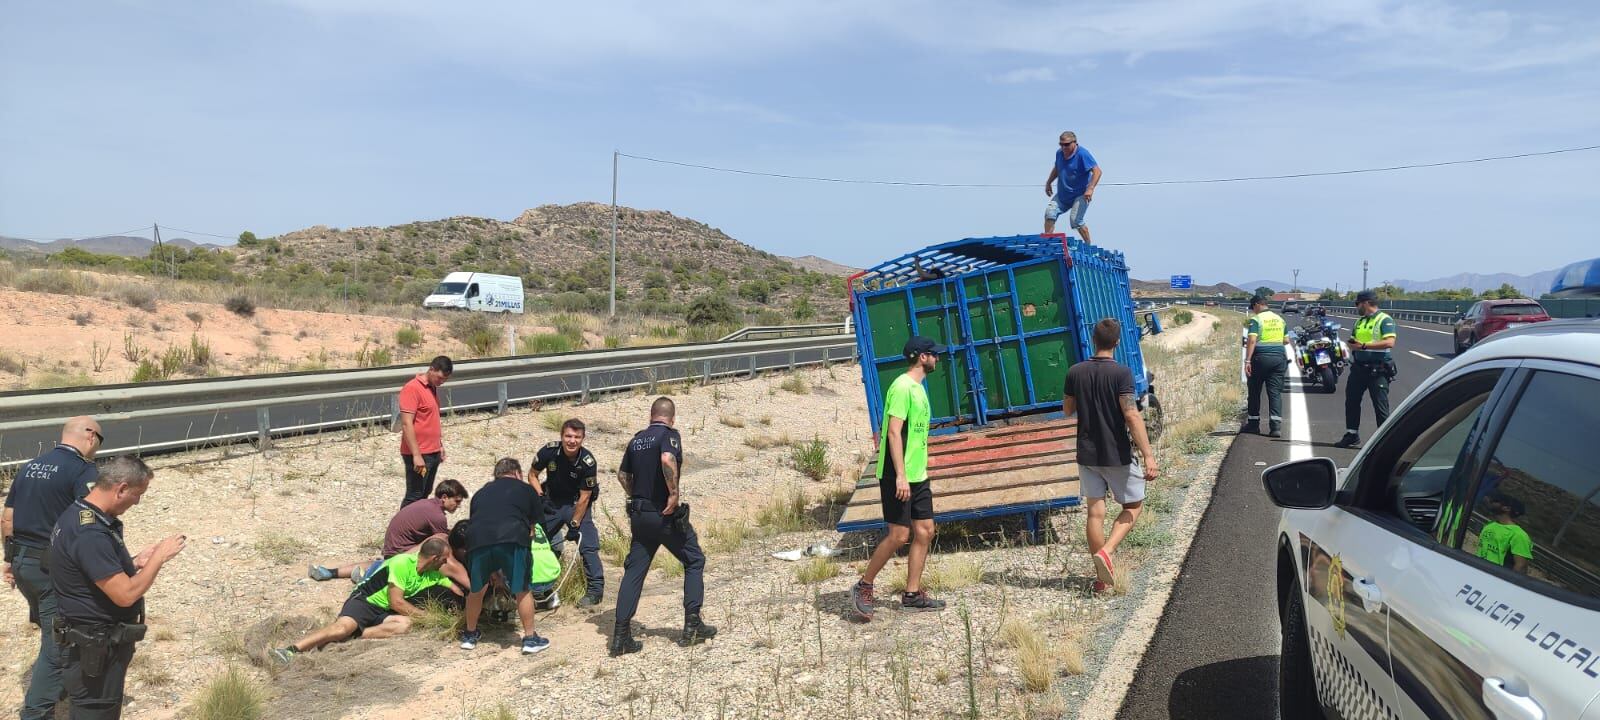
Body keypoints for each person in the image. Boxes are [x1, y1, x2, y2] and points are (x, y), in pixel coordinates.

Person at [49, 456, 186, 720]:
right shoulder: (90, 533)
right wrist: (158, 559)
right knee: (96, 712)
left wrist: (136, 563)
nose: (138, 502)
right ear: (121, 488)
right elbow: (125, 595)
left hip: (90, 640)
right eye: (137, 494)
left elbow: (92, 573)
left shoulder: (79, 513)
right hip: (95, 646)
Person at [3, 416, 103, 720]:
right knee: (58, 641)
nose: (98, 448)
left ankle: (59, 686)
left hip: (22, 563)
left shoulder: (31, 466)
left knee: (51, 629)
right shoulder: (82, 470)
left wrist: (9, 560)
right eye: (101, 439)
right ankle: (36, 712)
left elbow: (7, 517)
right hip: (51, 567)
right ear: (89, 436)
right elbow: (90, 520)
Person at [610, 397, 715, 655]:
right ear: (672, 417)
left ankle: (620, 636)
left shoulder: (637, 439)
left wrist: (637, 496)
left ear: (651, 415)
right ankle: (692, 626)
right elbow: (668, 459)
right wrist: (673, 493)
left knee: (635, 570)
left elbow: (622, 475)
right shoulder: (669, 435)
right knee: (694, 559)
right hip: (662, 512)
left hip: (639, 514)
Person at [851, 337, 947, 620]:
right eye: (933, 355)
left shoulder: (918, 389)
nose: (937, 359)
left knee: (925, 530)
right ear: (921, 357)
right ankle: (863, 585)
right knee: (898, 535)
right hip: (898, 474)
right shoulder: (902, 387)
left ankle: (912, 594)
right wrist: (901, 477)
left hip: (918, 474)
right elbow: (893, 433)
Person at [1062, 319, 1159, 593]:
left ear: (1094, 340)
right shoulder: (1122, 374)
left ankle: (1100, 580)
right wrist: (1148, 456)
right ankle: (1108, 550)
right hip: (1116, 452)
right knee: (1133, 506)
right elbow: (1130, 414)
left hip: (1087, 452)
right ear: (1117, 342)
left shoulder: (1075, 372)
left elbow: (1067, 409)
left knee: (1095, 512)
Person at [272, 537, 458, 663]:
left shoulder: (432, 574)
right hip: (364, 601)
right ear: (435, 558)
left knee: (404, 624)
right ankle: (291, 650)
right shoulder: (402, 563)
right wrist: (428, 617)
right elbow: (397, 603)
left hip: (383, 611)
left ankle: (354, 636)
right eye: (444, 559)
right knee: (341, 628)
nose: (446, 563)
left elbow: (454, 588)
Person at [458, 458, 548, 655]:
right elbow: (535, 525)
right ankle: (530, 639)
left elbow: (476, 519)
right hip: (513, 537)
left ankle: (469, 635)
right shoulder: (526, 489)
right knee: (522, 589)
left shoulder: (480, 494)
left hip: (478, 540)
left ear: (496, 475)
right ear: (517, 473)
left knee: (476, 590)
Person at [308, 479, 469, 583]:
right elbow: (444, 541)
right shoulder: (437, 516)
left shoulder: (427, 504)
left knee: (380, 563)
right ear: (444, 497)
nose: (458, 505)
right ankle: (371, 577)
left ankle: (331, 572)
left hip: (392, 547)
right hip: (400, 551)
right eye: (457, 501)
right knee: (441, 541)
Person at [530, 419, 605, 608]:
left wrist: (574, 524)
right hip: (552, 503)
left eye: (577, 437)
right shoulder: (549, 451)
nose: (572, 441)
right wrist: (540, 497)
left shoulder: (588, 462)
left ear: (583, 438)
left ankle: (595, 590)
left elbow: (585, 496)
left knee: (588, 545)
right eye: (568, 436)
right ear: (562, 436)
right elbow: (532, 475)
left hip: (576, 503)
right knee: (534, 540)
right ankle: (537, 587)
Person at [1336, 291, 1397, 448]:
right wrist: (1353, 344)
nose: (1356, 307)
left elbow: (1389, 342)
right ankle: (1351, 434)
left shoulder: (1384, 319)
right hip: (1358, 369)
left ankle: (1385, 440)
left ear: (1366, 303)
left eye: (1358, 304)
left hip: (1378, 370)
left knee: (1380, 405)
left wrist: (1363, 346)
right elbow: (1355, 340)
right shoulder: (1359, 321)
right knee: (1352, 401)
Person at [399, 355, 453, 507]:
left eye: (445, 380)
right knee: (414, 495)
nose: (441, 382)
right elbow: (406, 423)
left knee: (425, 492)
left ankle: (418, 527)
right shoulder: (412, 388)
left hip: (432, 451)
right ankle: (402, 529)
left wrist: (439, 445)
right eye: (440, 378)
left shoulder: (432, 388)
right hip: (419, 452)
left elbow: (430, 420)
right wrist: (416, 455)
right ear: (431, 369)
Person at [1043, 130, 1102, 243]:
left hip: (1080, 195)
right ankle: (1048, 242)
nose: (1064, 147)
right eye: (1061, 144)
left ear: (1074, 143)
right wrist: (1049, 182)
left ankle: (1089, 246)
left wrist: (1090, 189)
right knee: (1049, 213)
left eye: (1067, 144)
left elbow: (1097, 171)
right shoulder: (1059, 153)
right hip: (1063, 195)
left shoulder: (1082, 154)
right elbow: (1057, 168)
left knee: (1075, 220)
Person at [1244, 296, 1290, 437]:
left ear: (1257, 305)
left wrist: (1247, 361)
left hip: (1260, 359)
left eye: (1253, 307)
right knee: (1275, 393)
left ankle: (1253, 425)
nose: (1253, 311)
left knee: (1254, 391)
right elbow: (1286, 340)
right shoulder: (1280, 319)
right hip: (1279, 359)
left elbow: (1251, 340)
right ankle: (1275, 428)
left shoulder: (1256, 320)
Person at [1475, 493, 1532, 573]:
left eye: (1496, 501)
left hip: (1496, 578)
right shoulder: (1489, 525)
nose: (1490, 502)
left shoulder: (1519, 535)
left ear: (1507, 508)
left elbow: (1520, 566)